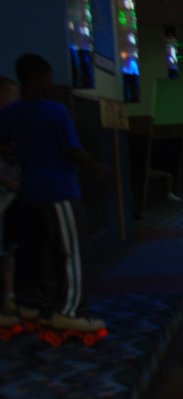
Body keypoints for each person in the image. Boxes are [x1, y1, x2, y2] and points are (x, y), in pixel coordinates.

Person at [0, 54, 108, 334]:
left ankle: (47, 308)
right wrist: (96, 166)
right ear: (38, 79)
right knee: (71, 252)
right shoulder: (54, 110)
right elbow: (72, 149)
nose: (51, 82)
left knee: (45, 252)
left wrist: (23, 153)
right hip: (59, 193)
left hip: (31, 194)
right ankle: (71, 311)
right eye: (48, 77)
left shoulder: (11, 114)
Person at [0, 76, 20, 331]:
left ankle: (10, 299)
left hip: (10, 199)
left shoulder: (12, 124)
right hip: (5, 195)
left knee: (8, 251)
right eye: (14, 96)